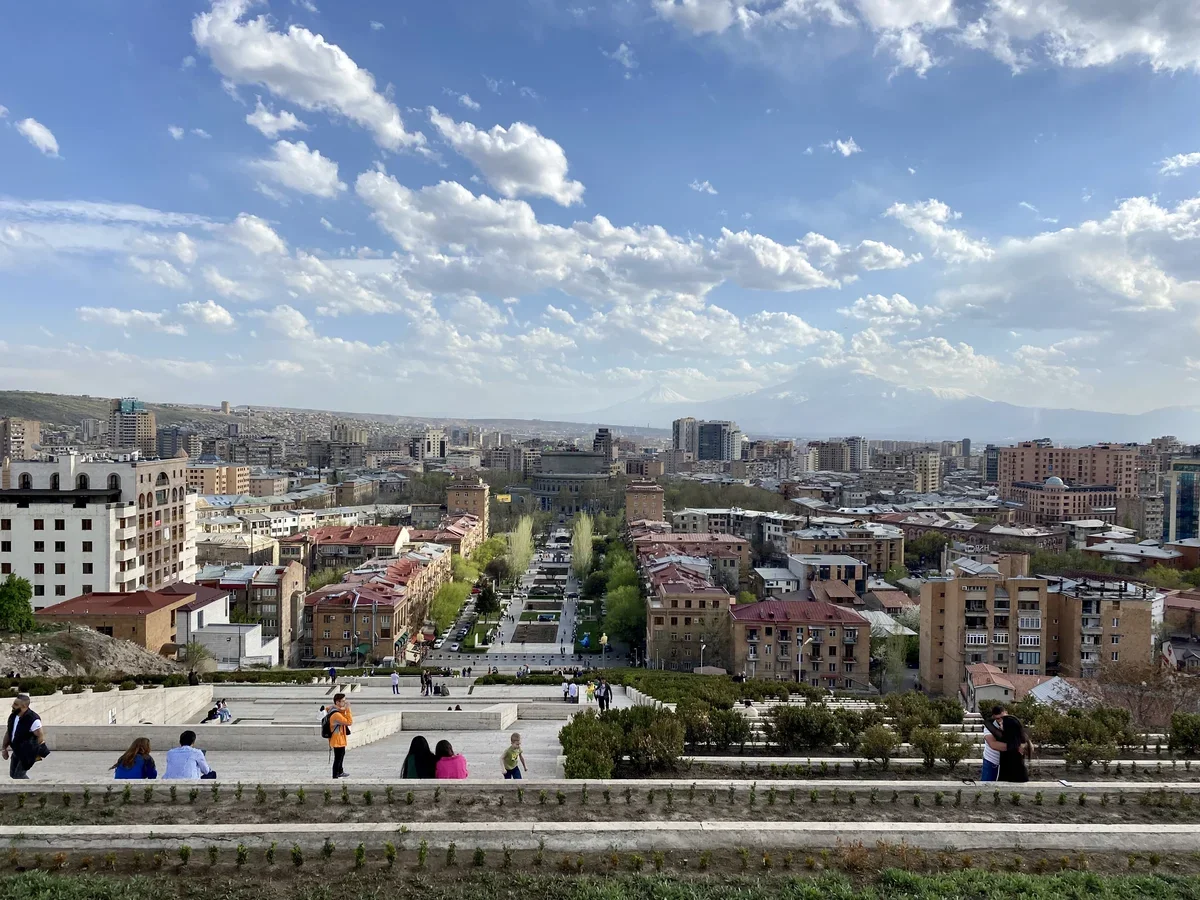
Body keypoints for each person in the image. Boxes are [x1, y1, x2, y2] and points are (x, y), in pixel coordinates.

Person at [3, 694, 46, 780]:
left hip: (27, 753)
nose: (12, 706)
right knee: (13, 775)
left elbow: (40, 736)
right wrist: (4, 748)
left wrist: (36, 752)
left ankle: (33, 787)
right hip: (17, 751)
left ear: (24, 706)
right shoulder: (13, 716)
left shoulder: (33, 719)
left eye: (16, 704)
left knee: (19, 776)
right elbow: (9, 732)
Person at [992, 706, 1032, 783]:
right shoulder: (1015, 742)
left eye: (1002, 723)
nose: (1000, 724)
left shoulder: (1012, 749)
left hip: (1013, 779)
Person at [328, 693, 353, 779]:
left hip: (338, 739)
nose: (344, 703)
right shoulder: (336, 715)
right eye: (343, 701)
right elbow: (349, 722)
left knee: (341, 755)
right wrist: (348, 709)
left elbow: (341, 713)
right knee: (338, 758)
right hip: (337, 739)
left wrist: (342, 708)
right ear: (337, 702)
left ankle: (340, 771)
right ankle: (335, 775)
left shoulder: (334, 710)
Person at [980, 718, 1003, 782]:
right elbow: (993, 745)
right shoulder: (989, 726)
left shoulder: (1012, 724)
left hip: (1006, 763)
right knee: (986, 785)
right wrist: (1014, 745)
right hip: (991, 761)